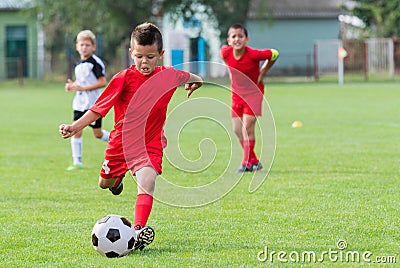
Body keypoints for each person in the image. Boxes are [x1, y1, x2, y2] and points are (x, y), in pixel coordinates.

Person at [59, 22, 203, 250]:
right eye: (139, 57)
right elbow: (98, 109)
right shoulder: (123, 78)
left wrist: (197, 82)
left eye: (150, 57)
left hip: (149, 144)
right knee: (104, 184)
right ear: (131, 54)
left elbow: (192, 76)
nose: (144, 62)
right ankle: (117, 180)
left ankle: (137, 233)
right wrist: (75, 126)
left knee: (147, 182)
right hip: (120, 144)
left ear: (161, 55)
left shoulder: (169, 76)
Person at [220, 23, 279, 173]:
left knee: (247, 127)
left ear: (247, 39)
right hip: (237, 95)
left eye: (241, 36)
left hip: (254, 94)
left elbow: (274, 53)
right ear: (228, 40)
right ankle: (254, 160)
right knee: (237, 129)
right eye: (233, 36)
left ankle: (246, 163)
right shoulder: (225, 53)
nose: (237, 39)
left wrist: (263, 71)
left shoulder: (253, 54)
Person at [65, 30, 110, 171]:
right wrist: (72, 86)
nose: (84, 47)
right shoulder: (79, 63)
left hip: (93, 104)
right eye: (82, 44)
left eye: (87, 45)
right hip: (79, 103)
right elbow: (81, 82)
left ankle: (122, 143)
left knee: (98, 134)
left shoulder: (95, 63)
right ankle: (77, 162)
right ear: (77, 46)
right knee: (75, 130)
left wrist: (83, 88)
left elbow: (102, 82)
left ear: (94, 47)